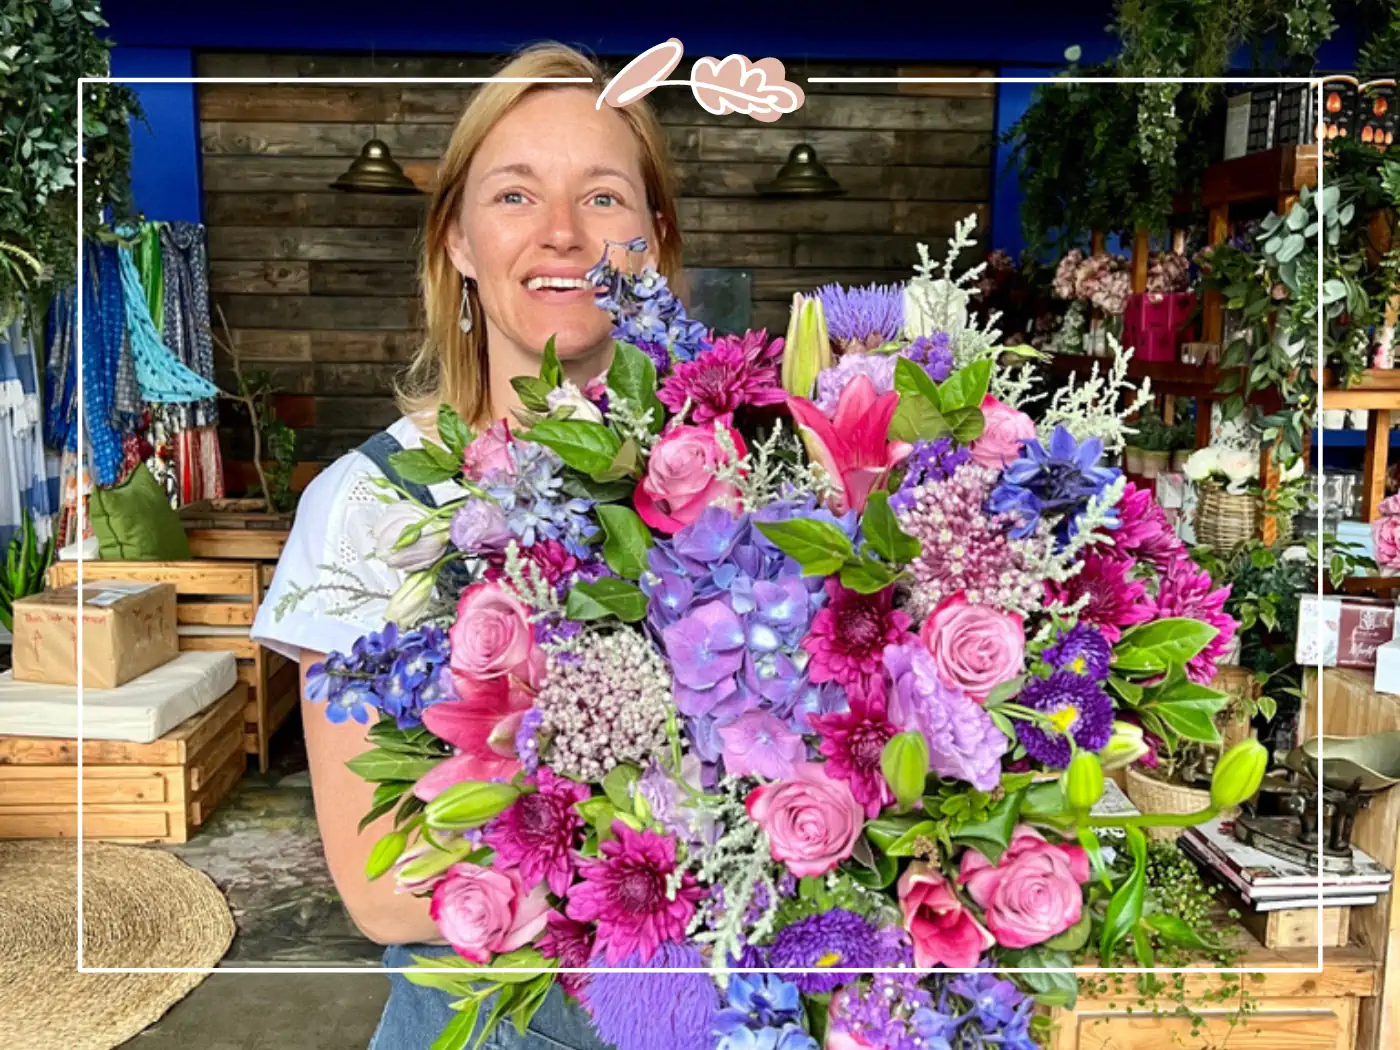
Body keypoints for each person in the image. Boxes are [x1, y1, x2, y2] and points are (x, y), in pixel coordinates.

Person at [250, 41, 685, 1050]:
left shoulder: (739, 480)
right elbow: (386, 894)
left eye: (606, 198)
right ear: (453, 239)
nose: (564, 233)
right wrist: (701, 855)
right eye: (514, 196)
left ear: (653, 239)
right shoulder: (364, 504)